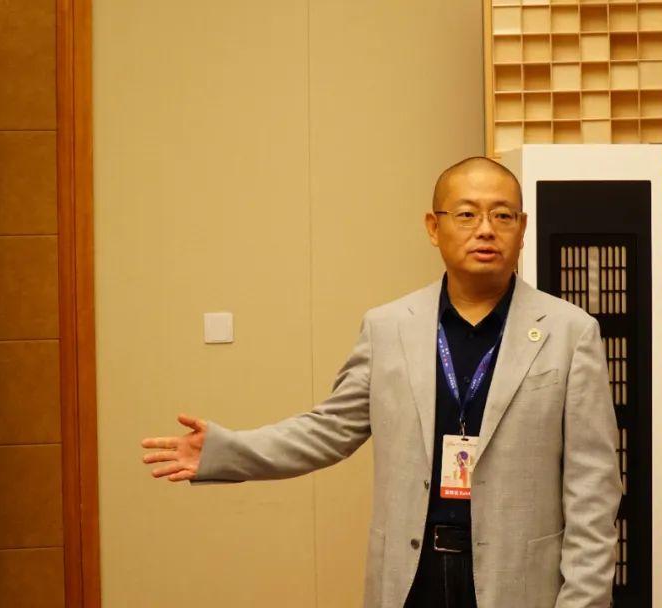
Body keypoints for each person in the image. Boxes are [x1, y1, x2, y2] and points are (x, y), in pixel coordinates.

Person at [141, 156, 622, 607]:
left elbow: (593, 492)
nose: (485, 229)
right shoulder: (388, 327)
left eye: (503, 216)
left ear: (522, 228)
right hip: (410, 576)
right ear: (433, 227)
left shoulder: (569, 332)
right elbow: (327, 430)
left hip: (517, 581)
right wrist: (225, 450)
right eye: (466, 214)